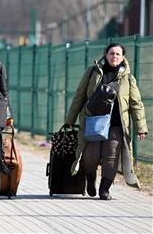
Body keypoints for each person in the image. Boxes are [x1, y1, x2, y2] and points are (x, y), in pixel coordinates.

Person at [65, 43, 148, 200]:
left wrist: (141, 127)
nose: (114, 56)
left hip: (116, 124)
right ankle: (90, 179)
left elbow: (136, 104)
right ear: (106, 54)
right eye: (112, 53)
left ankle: (105, 189)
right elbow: (79, 96)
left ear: (123, 57)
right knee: (91, 155)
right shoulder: (93, 72)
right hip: (93, 122)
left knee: (111, 157)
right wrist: (70, 120)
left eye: (118, 54)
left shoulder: (128, 78)